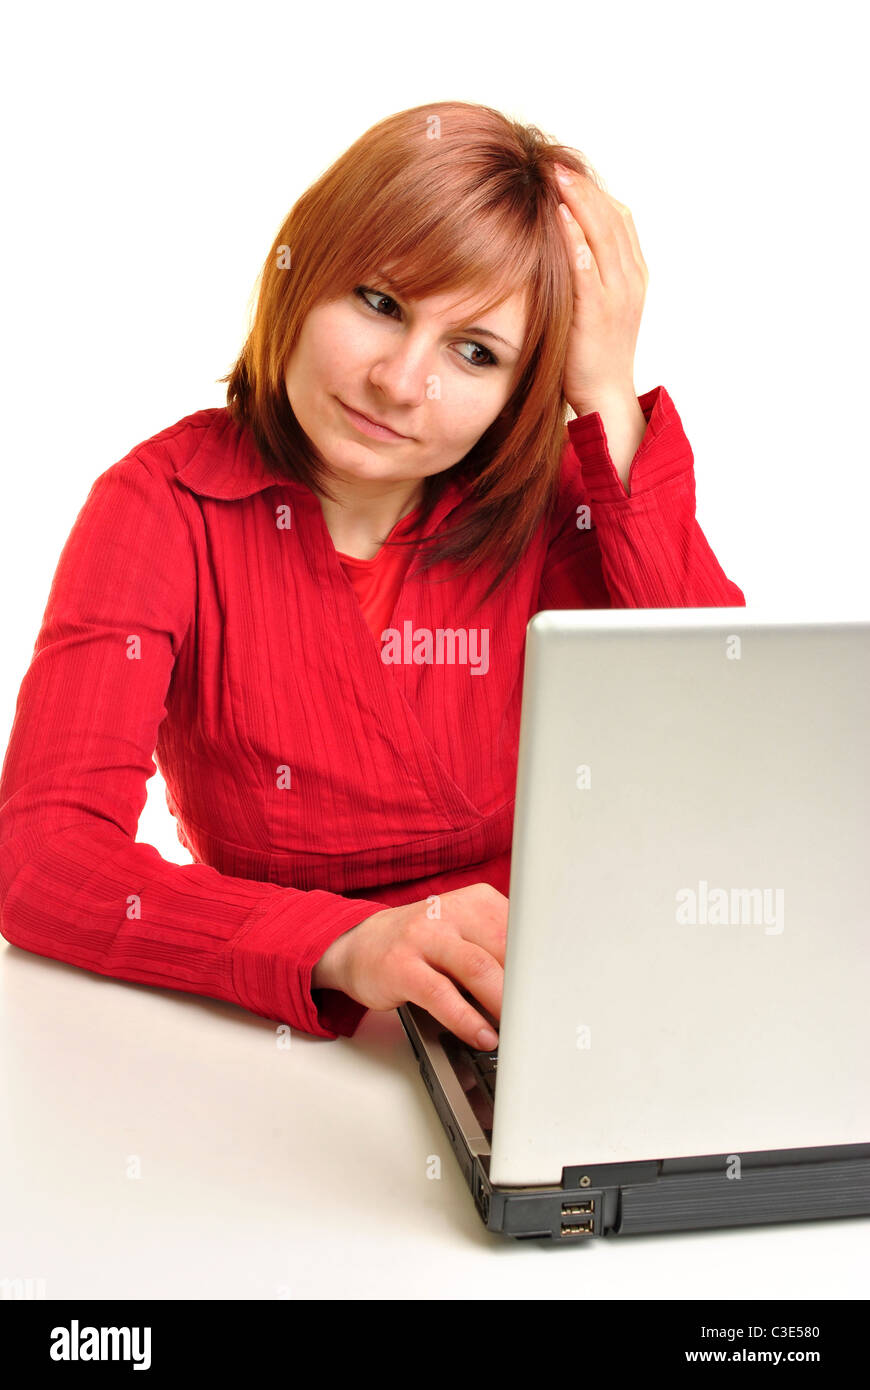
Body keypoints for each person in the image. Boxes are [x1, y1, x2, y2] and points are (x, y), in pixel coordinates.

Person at [0, 100, 745, 1054]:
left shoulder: (554, 501)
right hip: (286, 1034)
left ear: (524, 389)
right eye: (380, 303)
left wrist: (604, 390)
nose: (402, 383)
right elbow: (45, 860)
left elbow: (730, 746)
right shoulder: (162, 505)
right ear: (302, 274)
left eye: (475, 353)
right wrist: (345, 943)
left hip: (554, 1006)